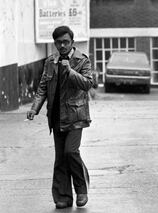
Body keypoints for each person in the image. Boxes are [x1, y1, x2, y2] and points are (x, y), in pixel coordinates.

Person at [26, 26, 93, 209]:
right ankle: (63, 196)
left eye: (65, 42)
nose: (62, 45)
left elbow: (88, 84)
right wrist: (34, 108)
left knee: (71, 152)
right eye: (58, 42)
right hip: (55, 116)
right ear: (54, 43)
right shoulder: (50, 61)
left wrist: (70, 71)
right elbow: (42, 87)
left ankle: (81, 189)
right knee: (60, 158)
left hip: (75, 115)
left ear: (72, 42)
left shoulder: (81, 60)